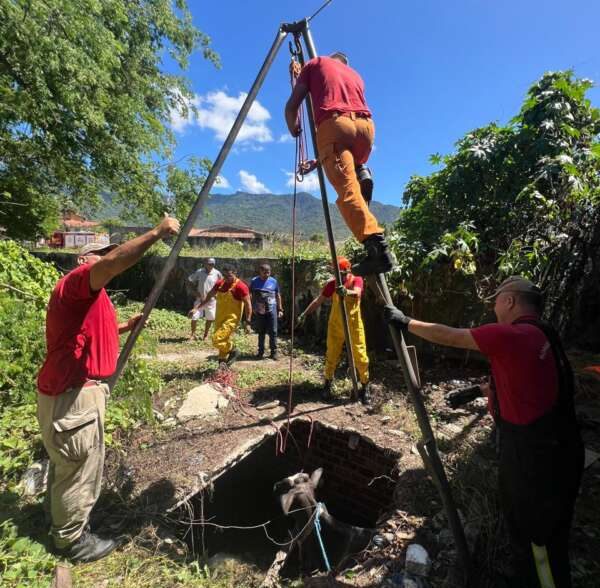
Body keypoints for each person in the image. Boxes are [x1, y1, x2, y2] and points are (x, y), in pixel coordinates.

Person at [383, 276, 584, 588]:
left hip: (534, 459)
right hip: (560, 448)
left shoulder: (512, 335)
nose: (494, 307)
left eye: (496, 300)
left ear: (510, 301)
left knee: (537, 541)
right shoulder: (544, 336)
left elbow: (450, 336)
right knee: (550, 535)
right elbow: (529, 385)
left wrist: (407, 322)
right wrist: (477, 390)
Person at [36, 215, 181, 563]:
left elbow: (85, 332)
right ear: (81, 261)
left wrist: (123, 326)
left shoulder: (90, 296)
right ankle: (71, 540)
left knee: (68, 465)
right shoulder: (76, 282)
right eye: (99, 254)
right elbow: (115, 264)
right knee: (80, 466)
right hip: (72, 395)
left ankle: (57, 518)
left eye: (107, 253)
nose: (106, 258)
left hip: (74, 393)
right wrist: (158, 232)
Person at [285, 51, 394, 277]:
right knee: (347, 165)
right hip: (365, 129)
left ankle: (378, 250)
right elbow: (341, 141)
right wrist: (318, 161)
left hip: (334, 125)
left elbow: (292, 105)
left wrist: (293, 125)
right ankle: (362, 169)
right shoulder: (355, 75)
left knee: (347, 191)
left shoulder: (315, 63)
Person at [297, 256, 371, 404]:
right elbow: (318, 300)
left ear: (347, 271)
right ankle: (327, 384)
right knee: (331, 355)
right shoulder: (332, 284)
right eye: (336, 273)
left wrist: (346, 292)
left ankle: (365, 386)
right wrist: (305, 313)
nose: (338, 276)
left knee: (361, 356)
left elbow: (357, 293)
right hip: (336, 325)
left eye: (341, 273)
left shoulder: (356, 280)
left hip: (354, 325)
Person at [197, 265, 252, 366]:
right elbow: (209, 296)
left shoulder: (241, 286)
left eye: (229, 276)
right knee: (222, 342)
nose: (226, 278)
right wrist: (197, 308)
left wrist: (248, 322)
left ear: (235, 273)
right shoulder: (219, 284)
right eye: (224, 276)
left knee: (217, 339)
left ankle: (233, 349)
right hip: (219, 318)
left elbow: (248, 304)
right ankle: (222, 366)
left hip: (232, 319)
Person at [250, 263, 283, 360]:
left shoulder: (274, 281)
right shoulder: (254, 281)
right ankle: (260, 352)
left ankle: (274, 352)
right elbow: (250, 295)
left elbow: (278, 295)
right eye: (264, 273)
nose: (266, 275)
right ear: (260, 272)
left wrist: (280, 309)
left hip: (272, 310)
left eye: (268, 272)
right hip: (259, 310)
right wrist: (252, 307)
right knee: (261, 331)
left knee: (273, 331)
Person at [187, 258, 222, 341]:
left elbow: (221, 284)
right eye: (209, 264)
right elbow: (189, 280)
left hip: (211, 300)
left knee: (210, 318)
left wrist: (217, 294)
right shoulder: (200, 272)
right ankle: (192, 335)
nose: (211, 265)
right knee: (194, 316)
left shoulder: (217, 273)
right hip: (200, 299)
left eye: (212, 264)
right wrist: (194, 292)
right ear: (205, 263)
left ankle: (205, 335)